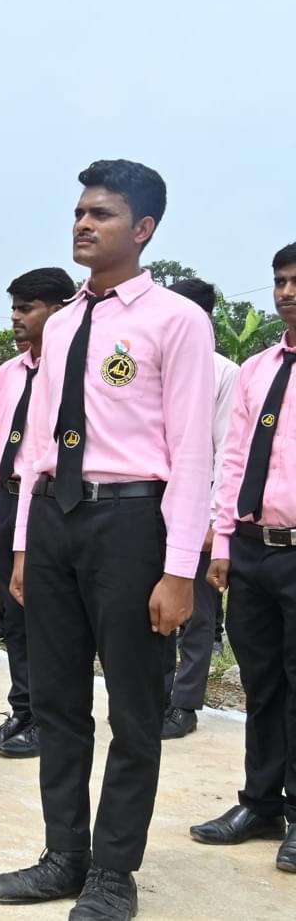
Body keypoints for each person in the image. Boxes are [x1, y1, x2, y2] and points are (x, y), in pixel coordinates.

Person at [0, 160, 214, 920]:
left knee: (135, 705)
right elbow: (37, 445)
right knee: (57, 698)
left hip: (130, 522)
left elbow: (192, 455)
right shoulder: (64, 322)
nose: (84, 223)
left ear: (143, 229)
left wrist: (180, 570)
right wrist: (21, 547)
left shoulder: (176, 319)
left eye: (103, 214)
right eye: (80, 211)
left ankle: (115, 870)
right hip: (52, 520)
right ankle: (63, 854)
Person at [193, 244, 296, 873]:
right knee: (262, 683)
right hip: (255, 552)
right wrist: (223, 540)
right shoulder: (257, 368)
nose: (287, 292)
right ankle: (259, 802)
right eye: (280, 281)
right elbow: (233, 459)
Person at [0, 268, 73, 759]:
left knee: (44, 615)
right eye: (13, 307)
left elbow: (44, 450)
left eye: (26, 308)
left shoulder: (72, 365)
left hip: (49, 501)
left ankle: (49, 718)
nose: (15, 317)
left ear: (57, 309)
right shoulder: (10, 373)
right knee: (13, 614)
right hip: (10, 497)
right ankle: (23, 709)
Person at [152, 278, 238, 740]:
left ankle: (185, 704)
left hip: (197, 508)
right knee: (153, 607)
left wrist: (213, 518)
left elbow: (228, 450)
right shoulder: (156, 363)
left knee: (198, 614)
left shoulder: (224, 373)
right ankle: (157, 695)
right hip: (148, 507)